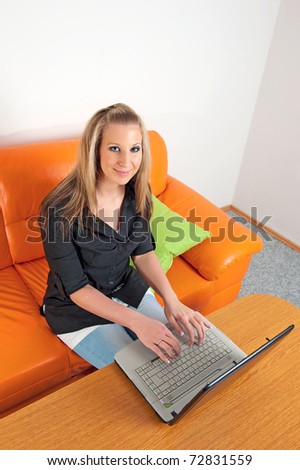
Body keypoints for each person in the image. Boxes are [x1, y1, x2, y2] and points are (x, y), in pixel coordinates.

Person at [40, 103, 210, 369]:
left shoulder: (138, 193)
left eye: (134, 149)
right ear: (95, 149)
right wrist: (137, 321)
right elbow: (76, 289)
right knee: (145, 370)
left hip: (128, 290)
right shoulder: (58, 209)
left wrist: (172, 300)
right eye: (114, 148)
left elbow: (143, 253)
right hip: (76, 311)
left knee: (187, 350)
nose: (126, 162)